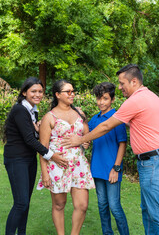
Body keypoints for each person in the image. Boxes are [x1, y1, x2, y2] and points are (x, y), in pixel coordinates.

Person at [62, 64, 159, 235]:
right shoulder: (150, 97)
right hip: (149, 161)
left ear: (134, 81)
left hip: (150, 162)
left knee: (153, 213)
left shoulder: (135, 100)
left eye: (122, 83)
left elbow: (107, 126)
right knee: (147, 210)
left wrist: (81, 139)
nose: (120, 87)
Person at [3, 77, 68, 235]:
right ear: (24, 92)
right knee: (21, 203)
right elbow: (29, 139)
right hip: (16, 159)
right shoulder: (20, 110)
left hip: (29, 159)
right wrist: (52, 155)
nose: (38, 94)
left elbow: (34, 135)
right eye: (33, 91)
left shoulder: (34, 110)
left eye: (40, 91)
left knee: (25, 203)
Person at [37, 79, 95, 235]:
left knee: (82, 205)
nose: (72, 94)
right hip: (57, 165)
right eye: (68, 91)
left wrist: (85, 142)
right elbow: (42, 149)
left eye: (73, 91)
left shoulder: (79, 113)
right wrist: (45, 173)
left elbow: (86, 135)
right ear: (57, 95)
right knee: (59, 204)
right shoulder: (49, 117)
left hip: (79, 165)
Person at [88, 82, 129, 235]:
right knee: (102, 205)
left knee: (114, 206)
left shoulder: (116, 118)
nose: (101, 102)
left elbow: (122, 144)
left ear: (112, 99)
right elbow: (87, 137)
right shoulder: (94, 119)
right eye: (99, 98)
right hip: (97, 169)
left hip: (112, 169)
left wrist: (116, 168)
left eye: (105, 98)